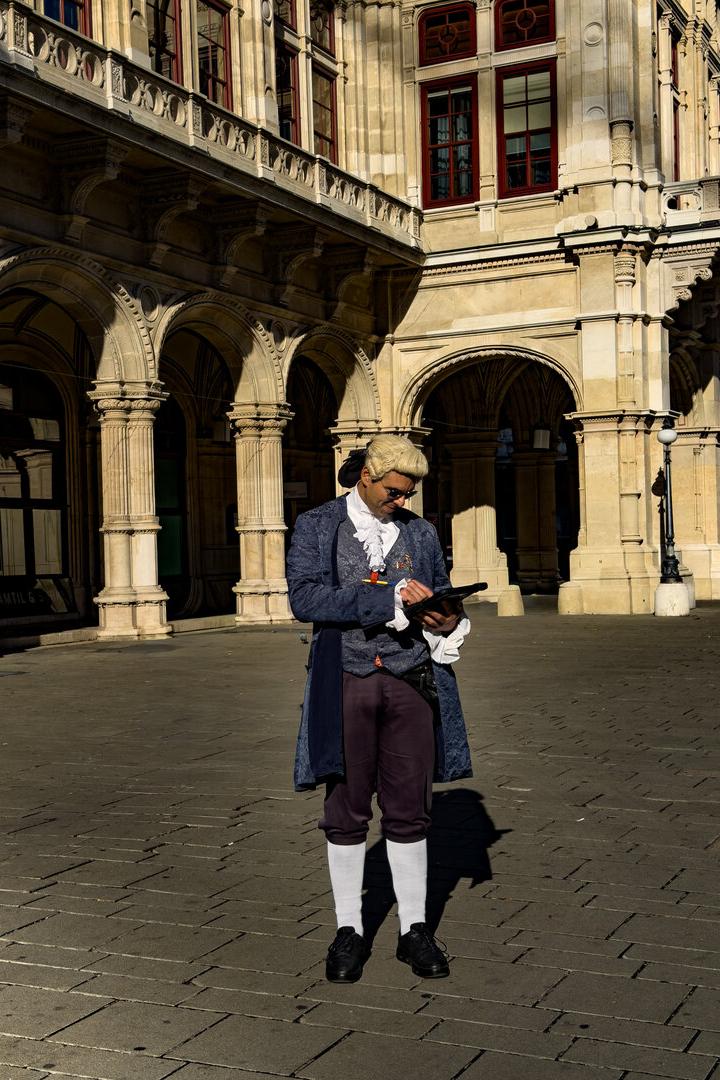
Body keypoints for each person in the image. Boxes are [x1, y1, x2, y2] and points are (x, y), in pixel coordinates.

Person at [286, 434, 472, 983]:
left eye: (408, 493)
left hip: (411, 680)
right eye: (394, 491)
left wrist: (446, 619)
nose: (402, 501)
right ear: (366, 476)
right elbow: (305, 599)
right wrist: (384, 600)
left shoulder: (421, 532)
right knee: (346, 807)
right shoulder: (317, 525)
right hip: (345, 679)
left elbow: (442, 596)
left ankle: (414, 929)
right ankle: (349, 929)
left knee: (410, 807)